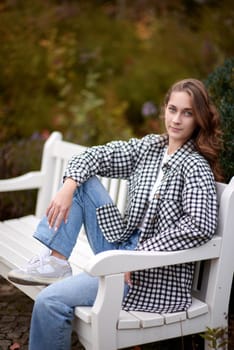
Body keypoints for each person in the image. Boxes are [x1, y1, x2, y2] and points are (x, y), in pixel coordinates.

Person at [8, 78, 223, 350]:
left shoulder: (195, 167)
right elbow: (95, 156)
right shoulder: (150, 149)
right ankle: (57, 262)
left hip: (147, 275)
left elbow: (199, 226)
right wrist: (68, 186)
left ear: (199, 118)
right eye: (172, 109)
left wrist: (139, 255)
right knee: (81, 181)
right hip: (120, 247)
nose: (177, 119)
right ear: (164, 110)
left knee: (49, 301)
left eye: (187, 112)